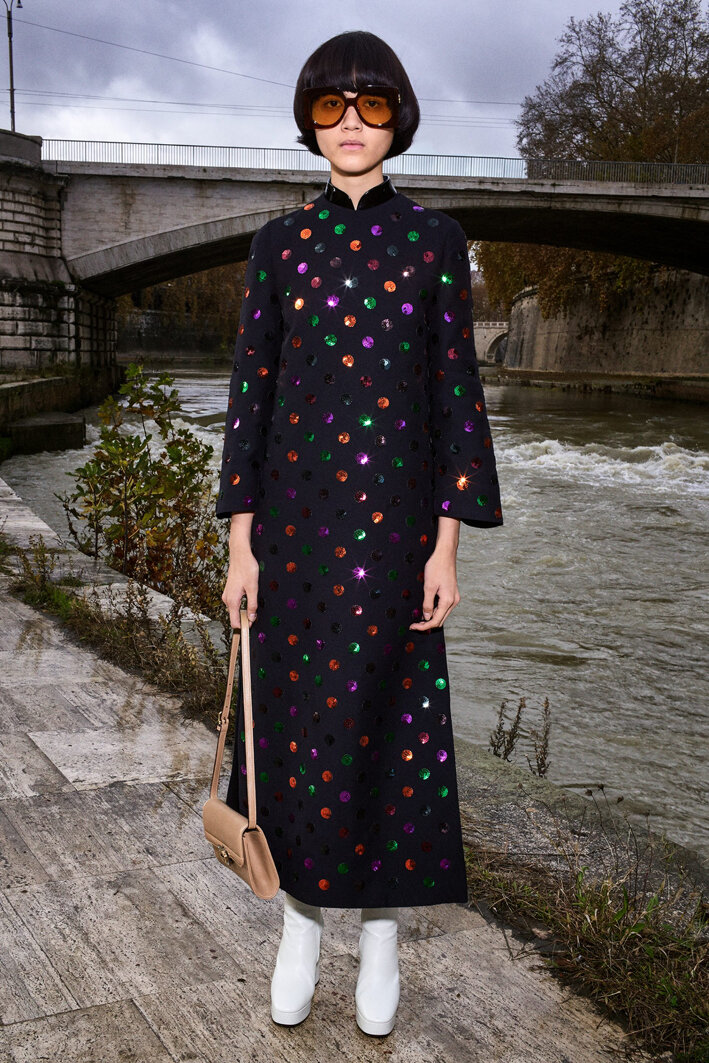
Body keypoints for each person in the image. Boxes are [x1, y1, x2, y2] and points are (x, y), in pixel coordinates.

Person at [216, 29, 503, 1037]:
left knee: (390, 730)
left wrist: (446, 546)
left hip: (393, 538)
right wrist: (240, 545)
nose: (349, 122)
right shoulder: (277, 246)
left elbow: (456, 397)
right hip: (291, 538)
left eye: (370, 104)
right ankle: (299, 922)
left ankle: (381, 931)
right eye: (330, 105)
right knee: (294, 730)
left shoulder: (435, 241)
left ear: (397, 119)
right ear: (308, 121)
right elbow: (249, 403)